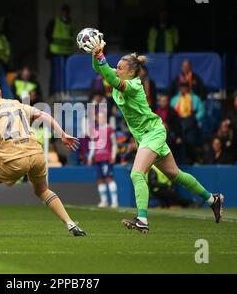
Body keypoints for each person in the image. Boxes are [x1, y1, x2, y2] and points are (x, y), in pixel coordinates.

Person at [84, 34, 224, 233]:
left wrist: (100, 56)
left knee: (136, 173)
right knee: (175, 174)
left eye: (120, 67)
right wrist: (95, 53)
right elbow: (100, 69)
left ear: (131, 71)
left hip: (153, 133)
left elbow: (110, 77)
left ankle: (142, 219)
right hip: (146, 135)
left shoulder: (133, 85)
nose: (116, 69)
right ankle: (213, 199)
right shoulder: (120, 77)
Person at [0, 79, 85, 237]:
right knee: (42, 190)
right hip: (36, 154)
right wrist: (63, 134)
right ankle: (70, 222)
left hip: (14, 158)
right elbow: (43, 114)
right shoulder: (15, 103)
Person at [87, 111, 118, 208]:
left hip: (106, 158)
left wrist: (113, 156)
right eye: (99, 117)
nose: (100, 119)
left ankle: (114, 202)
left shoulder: (110, 130)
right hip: (98, 158)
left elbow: (114, 144)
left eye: (102, 117)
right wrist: (90, 157)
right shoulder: (95, 130)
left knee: (109, 178)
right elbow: (92, 145)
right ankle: (104, 201)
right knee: (100, 179)